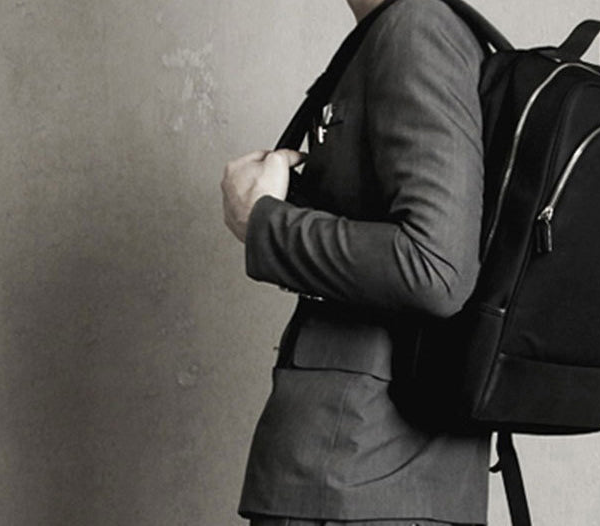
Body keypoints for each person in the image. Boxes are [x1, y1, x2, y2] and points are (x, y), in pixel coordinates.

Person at [220, 1, 489, 525]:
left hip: (357, 477)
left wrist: (262, 221)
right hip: (366, 475)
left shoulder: (417, 29)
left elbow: (436, 268)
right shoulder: (395, 29)